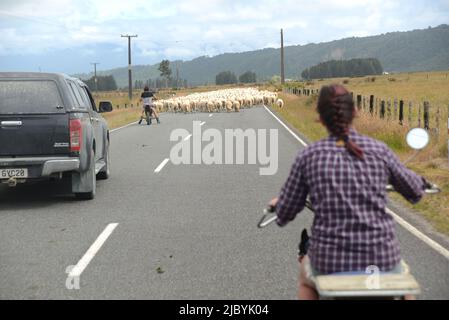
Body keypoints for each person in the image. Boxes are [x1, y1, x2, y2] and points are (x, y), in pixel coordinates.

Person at [269, 84, 429, 300]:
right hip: (381, 258)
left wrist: (279, 205)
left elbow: (286, 211)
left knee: (306, 281)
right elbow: (414, 191)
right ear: (354, 112)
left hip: (329, 262)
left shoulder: (309, 156)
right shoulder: (379, 150)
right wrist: (421, 182)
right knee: (405, 287)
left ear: (320, 117)